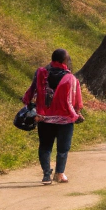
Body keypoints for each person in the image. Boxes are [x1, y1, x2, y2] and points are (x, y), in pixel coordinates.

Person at [23, 49, 83, 184]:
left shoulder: (41, 73)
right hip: (65, 118)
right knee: (63, 148)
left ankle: (46, 175)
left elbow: (31, 91)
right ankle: (59, 174)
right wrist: (77, 113)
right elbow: (76, 100)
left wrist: (28, 103)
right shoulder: (71, 78)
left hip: (44, 118)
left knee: (45, 146)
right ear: (65, 61)